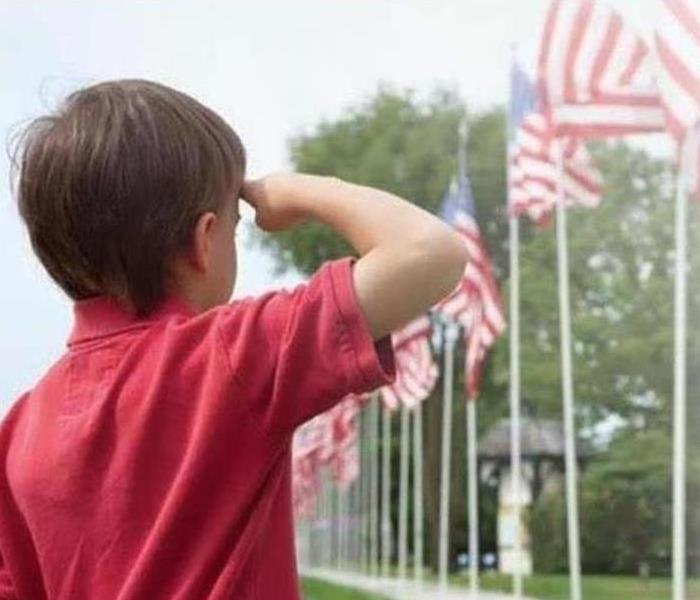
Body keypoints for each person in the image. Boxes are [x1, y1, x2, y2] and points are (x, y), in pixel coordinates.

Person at [0, 79, 467, 599]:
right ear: (204, 242)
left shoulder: (17, 431)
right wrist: (298, 191)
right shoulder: (232, 356)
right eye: (234, 225)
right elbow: (431, 252)